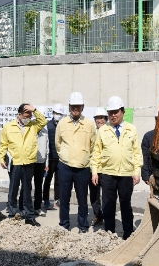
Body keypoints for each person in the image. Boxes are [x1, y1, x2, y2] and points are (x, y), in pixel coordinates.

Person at [91, 96, 143, 239]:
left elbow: (137, 152)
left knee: (126, 205)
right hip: (107, 174)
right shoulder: (103, 131)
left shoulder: (131, 129)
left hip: (126, 174)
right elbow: (97, 152)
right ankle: (110, 234)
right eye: (110, 112)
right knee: (108, 206)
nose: (113, 115)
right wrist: (95, 172)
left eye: (116, 112)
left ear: (122, 112)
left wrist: (136, 172)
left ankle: (128, 234)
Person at [0, 104, 47, 226]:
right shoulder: (8, 127)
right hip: (15, 162)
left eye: (30, 114)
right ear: (19, 114)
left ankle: (28, 214)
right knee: (13, 188)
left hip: (29, 162)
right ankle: (12, 213)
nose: (29, 117)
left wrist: (34, 110)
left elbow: (44, 121)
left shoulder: (33, 126)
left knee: (27, 189)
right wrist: (1, 158)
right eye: (26, 114)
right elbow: (3, 144)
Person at [56, 92, 96, 233]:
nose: (75, 109)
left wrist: (86, 160)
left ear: (83, 107)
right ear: (69, 107)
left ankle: (83, 225)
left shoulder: (89, 124)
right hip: (65, 166)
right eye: (73, 106)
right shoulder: (62, 123)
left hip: (82, 167)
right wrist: (64, 155)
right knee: (64, 197)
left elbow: (93, 145)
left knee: (82, 199)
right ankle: (64, 224)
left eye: (78, 106)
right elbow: (58, 143)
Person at [43, 104, 64, 210]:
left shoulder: (63, 126)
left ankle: (57, 200)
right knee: (47, 180)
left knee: (58, 181)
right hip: (50, 158)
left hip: (60, 158)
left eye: (60, 114)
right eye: (57, 113)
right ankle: (46, 200)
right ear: (53, 114)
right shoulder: (48, 125)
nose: (58, 115)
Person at [89, 107, 107, 227]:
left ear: (106, 119)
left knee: (107, 195)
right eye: (97, 118)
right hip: (93, 169)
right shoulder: (92, 132)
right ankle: (98, 216)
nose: (99, 120)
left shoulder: (109, 132)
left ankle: (107, 216)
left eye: (101, 118)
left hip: (106, 169)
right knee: (94, 195)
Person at [34, 106, 49, 217]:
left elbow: (47, 148)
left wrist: (47, 163)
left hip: (41, 162)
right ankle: (23, 206)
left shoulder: (45, 131)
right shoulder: (32, 127)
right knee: (26, 185)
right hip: (31, 161)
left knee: (39, 186)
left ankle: (37, 207)